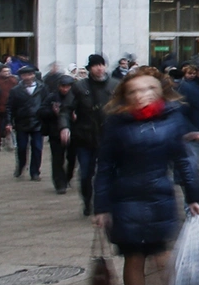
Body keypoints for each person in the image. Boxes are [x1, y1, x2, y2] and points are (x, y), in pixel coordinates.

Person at [92, 67, 199, 285]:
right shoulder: (116, 123)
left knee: (161, 252)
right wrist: (101, 206)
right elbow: (105, 167)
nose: (142, 95)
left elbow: (182, 160)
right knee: (134, 256)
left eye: (149, 89)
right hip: (125, 198)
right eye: (135, 91)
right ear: (126, 95)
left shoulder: (173, 118)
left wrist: (193, 196)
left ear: (161, 91)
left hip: (159, 195)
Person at [61, 55, 120, 216]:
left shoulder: (115, 85)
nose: (99, 68)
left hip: (108, 137)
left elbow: (124, 108)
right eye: (95, 65)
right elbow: (66, 109)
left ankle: (106, 203)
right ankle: (87, 201)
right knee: (86, 173)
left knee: (109, 172)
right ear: (89, 68)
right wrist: (64, 127)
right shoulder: (79, 87)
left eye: (102, 65)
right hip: (85, 137)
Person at [7, 65, 47, 181]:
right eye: (25, 75)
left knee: (37, 148)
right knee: (22, 147)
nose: (28, 77)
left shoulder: (42, 88)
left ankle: (35, 172)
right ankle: (21, 165)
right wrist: (9, 122)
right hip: (21, 122)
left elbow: (46, 103)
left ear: (34, 75)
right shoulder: (15, 90)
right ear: (21, 77)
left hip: (38, 122)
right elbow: (10, 107)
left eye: (30, 74)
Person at [42, 74, 77, 194]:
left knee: (72, 158)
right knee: (57, 159)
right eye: (63, 86)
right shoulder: (52, 97)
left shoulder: (77, 97)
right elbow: (41, 112)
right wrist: (52, 112)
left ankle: (68, 176)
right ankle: (59, 183)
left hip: (74, 133)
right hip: (55, 133)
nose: (65, 89)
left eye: (68, 86)